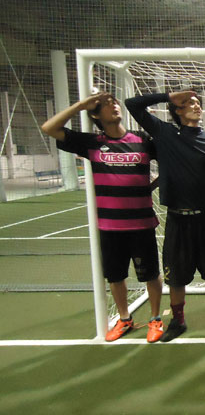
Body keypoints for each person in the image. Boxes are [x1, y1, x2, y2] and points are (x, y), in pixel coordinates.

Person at [41, 92, 164, 342]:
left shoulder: (142, 139)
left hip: (142, 223)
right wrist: (80, 105)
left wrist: (150, 187)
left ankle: (155, 319)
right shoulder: (92, 143)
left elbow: (171, 162)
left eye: (115, 102)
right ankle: (125, 319)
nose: (114, 106)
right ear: (96, 116)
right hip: (110, 226)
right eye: (107, 105)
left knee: (151, 274)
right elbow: (49, 128)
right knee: (116, 276)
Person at [125, 90, 205, 342]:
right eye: (189, 103)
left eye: (197, 103)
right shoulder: (164, 133)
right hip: (176, 219)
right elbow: (132, 104)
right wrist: (169, 96)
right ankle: (177, 321)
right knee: (176, 277)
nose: (196, 106)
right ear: (177, 109)